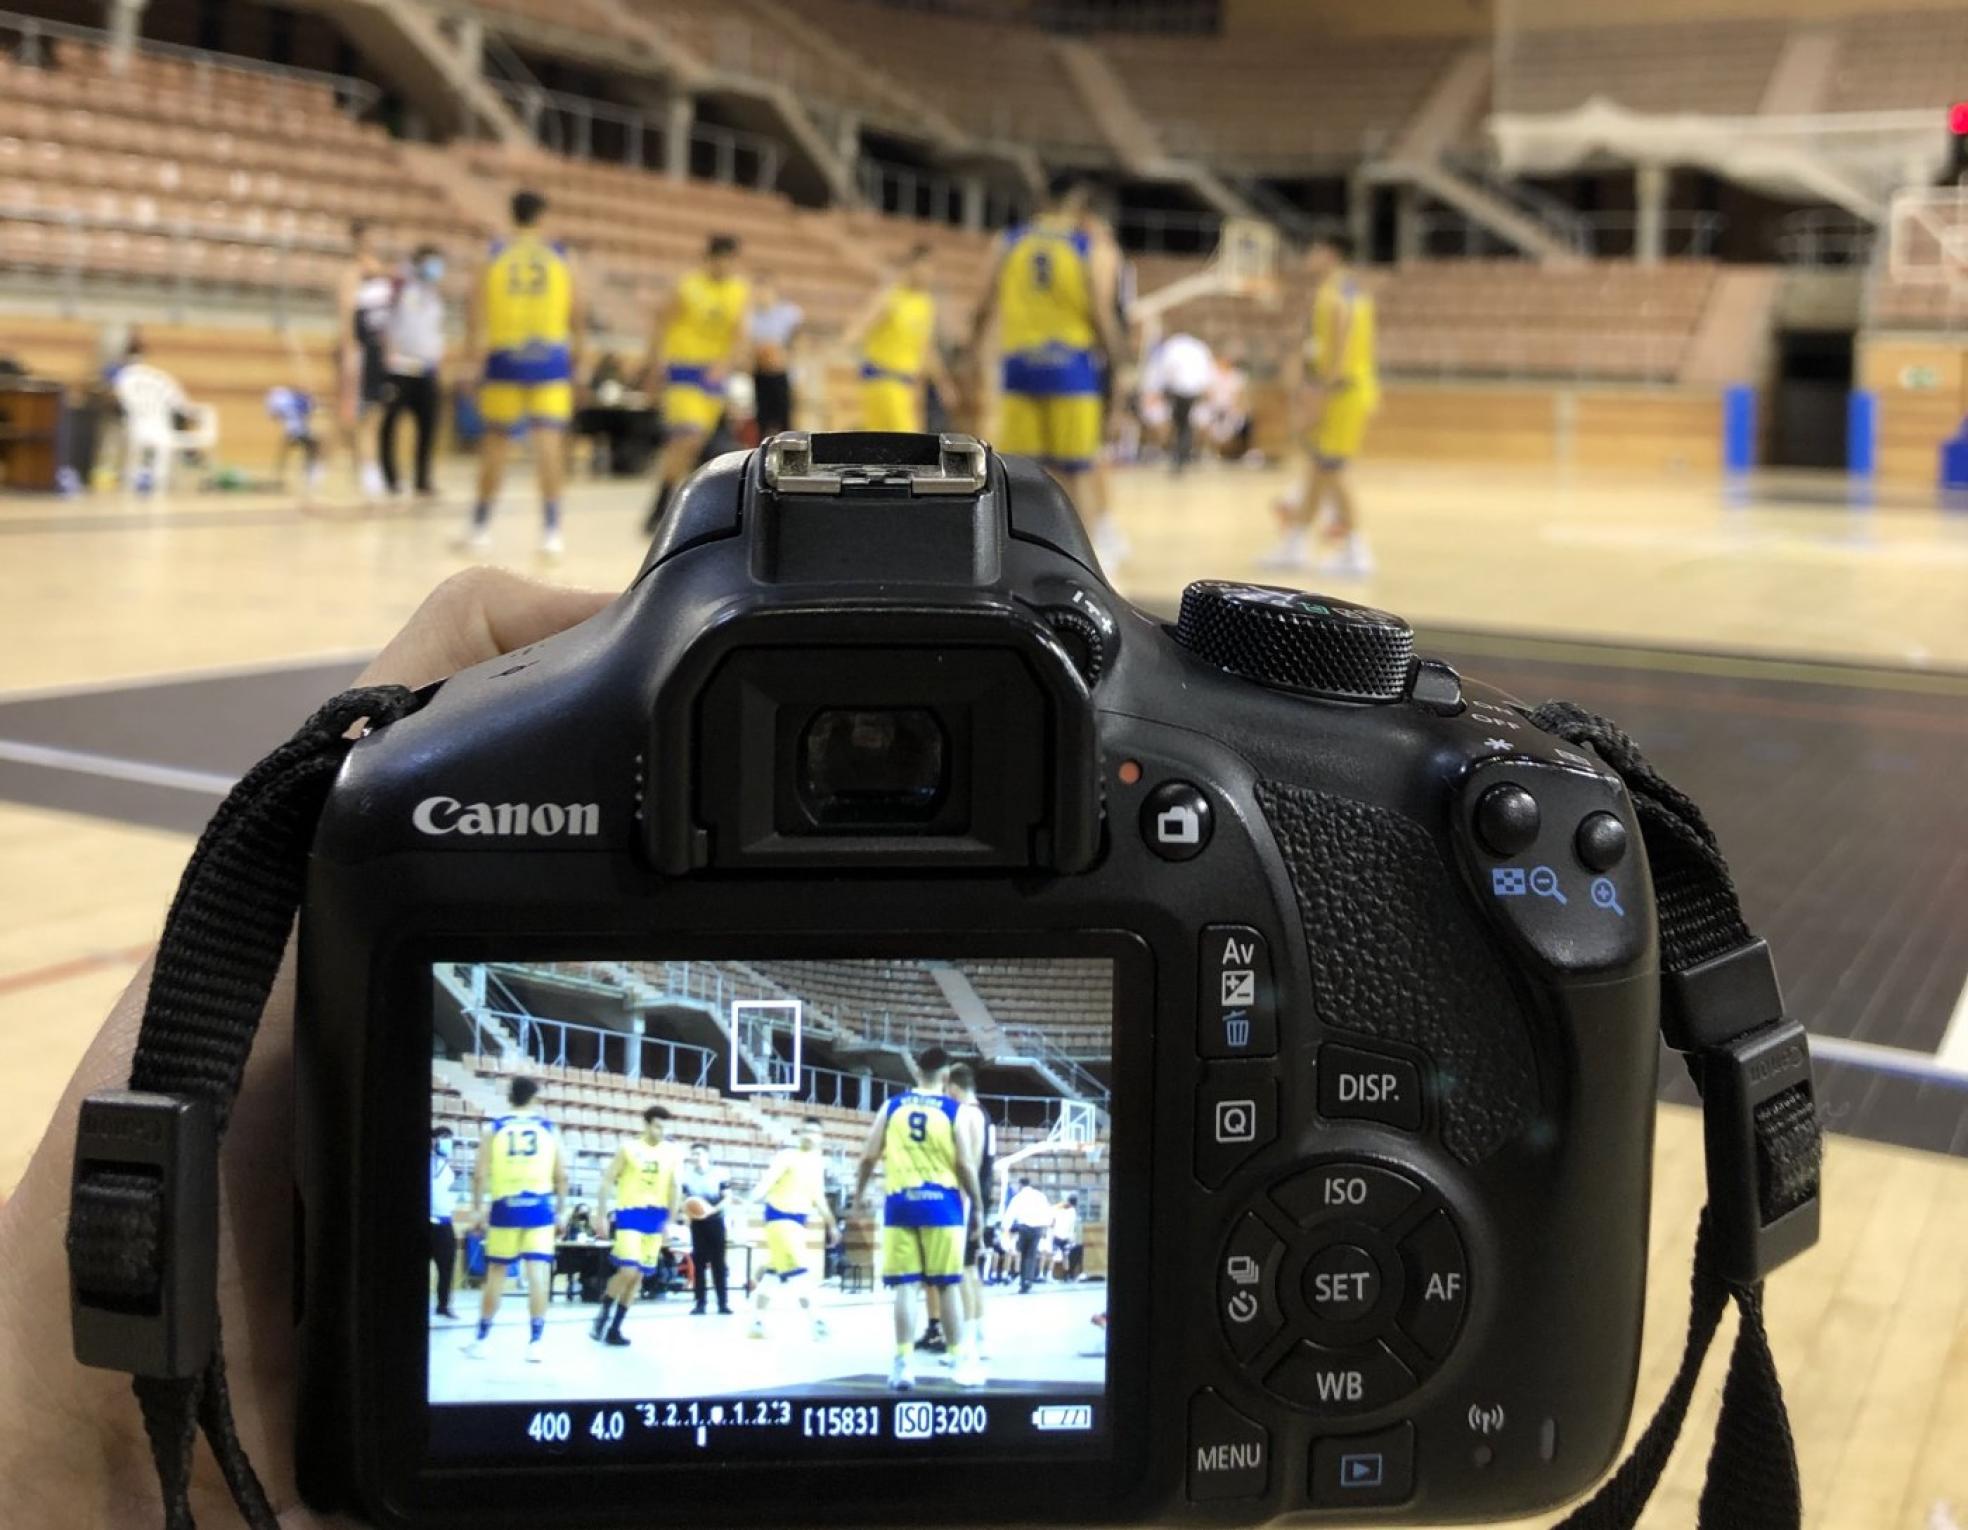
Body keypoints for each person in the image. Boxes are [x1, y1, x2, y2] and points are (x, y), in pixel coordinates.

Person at [0, 567, 612, 1526]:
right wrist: (63, 1443)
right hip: (523, 1215)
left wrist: (51, 1436)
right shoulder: (537, 1138)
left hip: (506, 1212)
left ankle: (512, 1352)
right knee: (519, 1278)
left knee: (501, 1277)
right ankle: (523, 1345)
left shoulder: (506, 1127)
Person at [968, 174, 1127, 564]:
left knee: (1023, 473)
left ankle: (1021, 556)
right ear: (1078, 204)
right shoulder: (1091, 246)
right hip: (1071, 368)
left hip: (1020, 366)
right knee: (1077, 473)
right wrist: (1120, 363)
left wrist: (971, 352)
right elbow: (1101, 313)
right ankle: (1087, 558)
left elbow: (982, 307)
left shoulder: (1007, 241)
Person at [458, 190, 584, 560]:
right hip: (550, 357)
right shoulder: (561, 256)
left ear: (512, 215)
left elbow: (474, 310)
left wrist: (471, 358)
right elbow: (577, 311)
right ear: (542, 216)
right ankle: (551, 531)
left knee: (495, 445)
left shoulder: (493, 254)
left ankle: (480, 527)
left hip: (504, 356)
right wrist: (579, 358)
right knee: (548, 445)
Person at [853, 1047, 985, 1390]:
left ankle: (902, 1365)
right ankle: (960, 1362)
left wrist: (857, 1196)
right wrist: (980, 1206)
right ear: (945, 1077)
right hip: (942, 1205)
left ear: (916, 1074)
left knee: (906, 1288)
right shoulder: (953, 1110)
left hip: (900, 1203)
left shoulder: (892, 1106)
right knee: (947, 1286)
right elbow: (966, 1165)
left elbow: (868, 1157)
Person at [1262, 232, 1379, 576]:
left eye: (1313, 247)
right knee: (1316, 468)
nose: (1308, 255)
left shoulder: (1335, 296)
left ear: (1330, 252)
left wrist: (1317, 396)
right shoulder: (1352, 291)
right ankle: (1295, 542)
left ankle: (1357, 549)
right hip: (1347, 389)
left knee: (1333, 468)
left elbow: (1339, 352)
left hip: (1340, 391)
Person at [643, 233, 750, 532]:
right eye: (722, 260)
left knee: (693, 444)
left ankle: (673, 503)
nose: (726, 266)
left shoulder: (738, 291)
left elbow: (739, 335)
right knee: (687, 436)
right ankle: (663, 506)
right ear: (710, 259)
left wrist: (725, 364)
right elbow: (662, 323)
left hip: (713, 377)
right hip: (683, 370)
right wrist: (654, 364)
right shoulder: (688, 286)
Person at [463, 1076, 567, 1363]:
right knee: (538, 1275)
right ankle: (535, 1343)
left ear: (510, 1097)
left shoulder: (494, 1128)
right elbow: (562, 1175)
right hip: (539, 1206)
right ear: (534, 1098)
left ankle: (482, 1340)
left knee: (496, 1275)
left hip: (505, 1206)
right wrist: (560, 1210)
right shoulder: (548, 1128)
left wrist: (476, 1209)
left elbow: (480, 1174)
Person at [592, 1104, 685, 1347]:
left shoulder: (673, 1152)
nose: (661, 1131)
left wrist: (670, 1221)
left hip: (656, 1217)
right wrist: (601, 1213)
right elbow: (608, 1179)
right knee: (628, 1270)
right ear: (646, 1124)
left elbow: (675, 1187)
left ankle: (615, 1328)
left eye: (664, 1127)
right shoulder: (629, 1148)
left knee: (638, 1278)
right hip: (630, 1213)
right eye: (657, 1126)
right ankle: (602, 1313)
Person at [843, 243, 952, 434]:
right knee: (906, 442)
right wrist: (848, 342)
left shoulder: (926, 304)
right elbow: (859, 327)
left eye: (933, 269)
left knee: (883, 443)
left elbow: (926, 348)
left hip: (903, 385)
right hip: (882, 380)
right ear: (912, 266)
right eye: (926, 267)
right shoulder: (891, 297)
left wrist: (943, 383)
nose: (930, 273)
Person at [748, 1117, 838, 1342]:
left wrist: (832, 1224)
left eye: (814, 1132)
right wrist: (749, 1200)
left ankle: (756, 1323)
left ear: (821, 1138)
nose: (809, 1135)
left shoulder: (817, 1162)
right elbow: (766, 1182)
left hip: (799, 1222)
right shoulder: (786, 1156)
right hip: (779, 1219)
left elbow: (818, 1197)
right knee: (800, 1271)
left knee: (772, 1274)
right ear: (799, 1134)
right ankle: (817, 1322)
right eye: (805, 1131)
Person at [380, 244, 447, 501]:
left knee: (429, 426)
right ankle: (392, 478)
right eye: (432, 263)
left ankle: (422, 480)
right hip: (400, 367)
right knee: (391, 423)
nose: (436, 269)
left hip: (426, 369)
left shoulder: (434, 296)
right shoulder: (402, 288)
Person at [336, 220, 394, 505]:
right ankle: (363, 472)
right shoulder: (353, 273)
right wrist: (349, 347)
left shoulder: (381, 272)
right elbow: (347, 312)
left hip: (379, 352)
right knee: (350, 417)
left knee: (373, 414)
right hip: (360, 351)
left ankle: (368, 471)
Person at [947, 1062, 993, 1359]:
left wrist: (969, 1201)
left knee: (961, 1270)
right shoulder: (986, 1114)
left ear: (953, 1086)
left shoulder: (966, 1113)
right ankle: (979, 1337)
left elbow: (970, 1162)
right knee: (971, 1270)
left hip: (967, 1197)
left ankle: (965, 1344)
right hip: (982, 1194)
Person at [1143, 330, 1215, 475]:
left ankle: (1180, 457)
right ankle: (1181, 455)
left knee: (1182, 424)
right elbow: (1206, 371)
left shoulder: (1172, 346)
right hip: (1191, 391)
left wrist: (1159, 389)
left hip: (1179, 389)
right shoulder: (1199, 347)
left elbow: (1166, 369)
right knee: (1183, 423)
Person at [679, 1141, 732, 1315]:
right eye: (693, 1154)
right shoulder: (687, 1176)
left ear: (707, 1155)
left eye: (699, 1154)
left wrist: (712, 1210)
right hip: (697, 1224)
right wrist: (687, 1213)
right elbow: (684, 1200)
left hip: (716, 1221)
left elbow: (727, 1198)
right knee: (699, 1265)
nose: (696, 1157)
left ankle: (723, 1304)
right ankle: (700, 1303)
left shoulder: (720, 1174)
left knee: (718, 1264)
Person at [747, 272, 802, 438]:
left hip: (781, 372)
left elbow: (797, 342)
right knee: (762, 421)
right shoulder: (750, 316)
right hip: (760, 372)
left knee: (785, 421)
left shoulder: (788, 313)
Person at [429, 1125, 459, 1319]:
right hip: (426, 1222)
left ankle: (443, 1304)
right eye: (443, 1138)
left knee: (447, 1267)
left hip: (444, 1223)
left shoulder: (448, 1169)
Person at [1005, 1177, 1052, 1294]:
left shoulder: (1018, 1197)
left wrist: (1006, 1227)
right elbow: (1047, 1211)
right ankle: (1028, 1281)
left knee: (1022, 1255)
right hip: (1037, 1228)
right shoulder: (1040, 1196)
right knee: (1031, 1255)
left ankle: (1022, 1281)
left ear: (1020, 1185)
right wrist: (1046, 1226)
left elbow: (1010, 1213)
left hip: (1023, 1228)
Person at [1051, 1193, 1082, 1282]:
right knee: (1066, 1257)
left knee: (1055, 1255)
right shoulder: (1073, 1212)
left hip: (1057, 1235)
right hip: (1068, 1237)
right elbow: (1073, 1226)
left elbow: (1053, 1215)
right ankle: (1066, 1276)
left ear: (1068, 1201)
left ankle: (1050, 1275)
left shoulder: (1061, 1210)